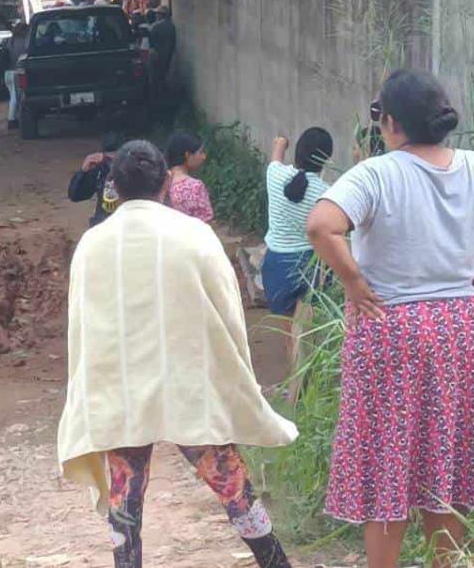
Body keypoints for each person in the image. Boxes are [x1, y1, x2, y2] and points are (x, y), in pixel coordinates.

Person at [307, 70, 474, 568]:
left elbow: (321, 225)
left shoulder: (377, 173)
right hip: (461, 328)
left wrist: (354, 282)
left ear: (391, 122)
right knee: (448, 454)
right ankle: (447, 561)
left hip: (390, 327)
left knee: (386, 462)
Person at [58, 140, 297, 568]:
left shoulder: (93, 245)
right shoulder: (195, 235)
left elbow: (82, 327)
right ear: (166, 183)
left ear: (113, 186)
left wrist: (85, 391)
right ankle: (275, 562)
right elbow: (228, 312)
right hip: (188, 384)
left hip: (121, 388)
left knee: (125, 499)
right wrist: (238, 377)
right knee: (232, 486)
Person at [262, 128, 333, 387]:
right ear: (326, 160)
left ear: (298, 152)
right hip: (309, 266)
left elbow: (276, 155)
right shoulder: (325, 193)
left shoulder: (275, 175)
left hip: (275, 265)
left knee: (288, 333)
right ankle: (305, 385)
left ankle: (295, 383)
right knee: (307, 332)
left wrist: (281, 142)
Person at [67, 131, 126, 226]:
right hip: (104, 223)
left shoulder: (138, 171)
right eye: (109, 159)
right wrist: (83, 172)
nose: (113, 163)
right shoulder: (101, 169)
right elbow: (76, 196)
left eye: (117, 158)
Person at [164, 132, 213, 223]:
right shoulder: (195, 187)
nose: (204, 157)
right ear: (187, 155)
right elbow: (204, 224)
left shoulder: (159, 183)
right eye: (201, 152)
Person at [2, 20, 30, 130]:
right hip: (16, 71)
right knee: (16, 97)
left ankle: (14, 118)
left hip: (7, 72)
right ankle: (12, 120)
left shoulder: (9, 41)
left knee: (13, 96)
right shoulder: (24, 42)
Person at [147, 6, 176, 98]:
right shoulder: (172, 26)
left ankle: (155, 97)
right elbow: (173, 42)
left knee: (153, 77)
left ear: (161, 15)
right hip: (167, 54)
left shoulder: (156, 26)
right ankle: (163, 95)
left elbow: (150, 40)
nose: (156, 16)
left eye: (158, 14)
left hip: (156, 54)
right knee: (162, 76)